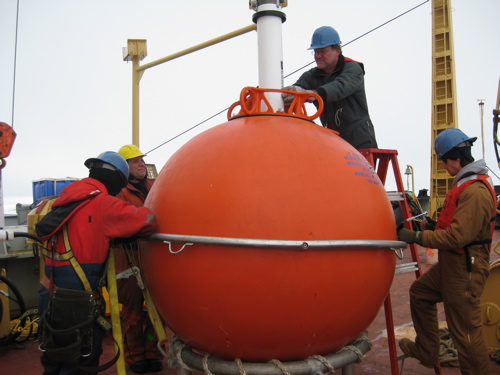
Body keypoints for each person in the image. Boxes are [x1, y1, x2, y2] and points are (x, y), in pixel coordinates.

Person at [36, 151, 157, 375]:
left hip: (50, 294)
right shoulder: (102, 203)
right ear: (117, 178)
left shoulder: (65, 199)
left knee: (55, 356)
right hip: (79, 300)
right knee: (82, 359)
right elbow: (147, 221)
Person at [397, 128, 496, 374]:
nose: (444, 167)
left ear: (455, 158)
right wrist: (431, 226)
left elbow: (458, 236)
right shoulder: (465, 185)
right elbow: (455, 226)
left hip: (466, 269)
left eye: (443, 161)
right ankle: (428, 350)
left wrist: (416, 236)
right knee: (420, 293)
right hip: (453, 265)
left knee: (466, 333)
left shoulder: (474, 191)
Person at [282, 26, 377, 150]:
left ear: (337, 50)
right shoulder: (311, 75)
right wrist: (285, 93)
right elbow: (297, 90)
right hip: (334, 140)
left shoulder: (353, 69)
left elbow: (339, 87)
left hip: (359, 139)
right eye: (315, 52)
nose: (317, 56)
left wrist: (313, 93)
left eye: (322, 51)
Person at [113, 144, 163, 374]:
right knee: (132, 311)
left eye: (142, 160)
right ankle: (135, 357)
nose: (141, 163)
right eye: (135, 161)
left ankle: (153, 352)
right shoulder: (119, 192)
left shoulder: (155, 187)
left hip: (153, 258)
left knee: (159, 310)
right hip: (127, 258)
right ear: (124, 168)